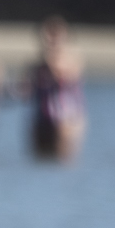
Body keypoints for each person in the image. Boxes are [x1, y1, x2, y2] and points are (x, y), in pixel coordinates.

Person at [26, 15, 87, 162]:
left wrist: (49, 55)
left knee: (62, 161)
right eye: (49, 35)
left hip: (67, 119)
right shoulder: (38, 64)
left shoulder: (72, 59)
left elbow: (61, 73)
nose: (51, 40)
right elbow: (26, 89)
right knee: (40, 162)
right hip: (42, 117)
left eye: (55, 35)